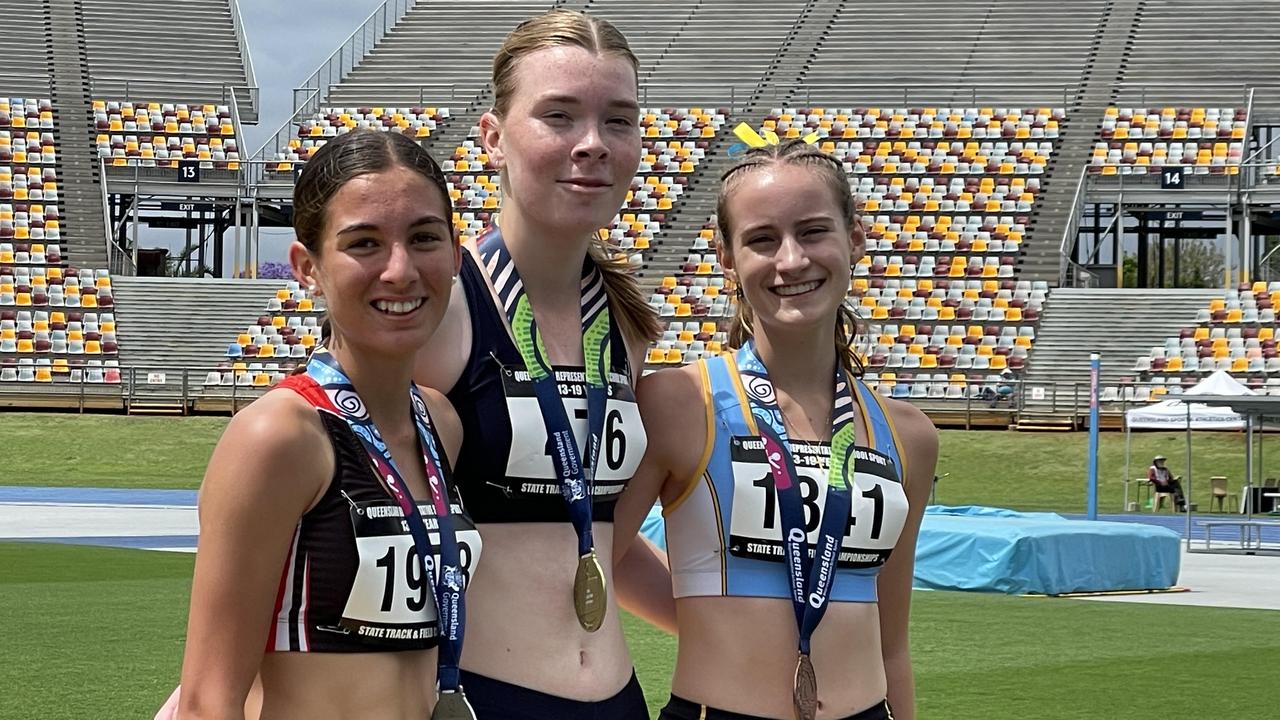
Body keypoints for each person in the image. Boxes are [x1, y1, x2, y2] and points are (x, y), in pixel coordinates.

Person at [614, 140, 938, 720]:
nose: (791, 260)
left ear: (855, 240)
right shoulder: (678, 402)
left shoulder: (909, 434)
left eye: (813, 232)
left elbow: (892, 642)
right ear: (727, 258)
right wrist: (702, 611)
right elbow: (598, 557)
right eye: (762, 240)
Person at [173, 129, 481, 719]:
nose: (400, 270)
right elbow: (207, 701)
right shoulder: (280, 437)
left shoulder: (441, 422)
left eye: (424, 238)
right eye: (364, 243)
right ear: (307, 267)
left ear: (455, 255)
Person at [412, 9, 668, 719]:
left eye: (618, 121)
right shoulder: (434, 310)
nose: (593, 144)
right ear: (493, 137)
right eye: (560, 116)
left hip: (619, 701)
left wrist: (753, 639)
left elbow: (601, 541)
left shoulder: (624, 327)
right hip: (476, 696)